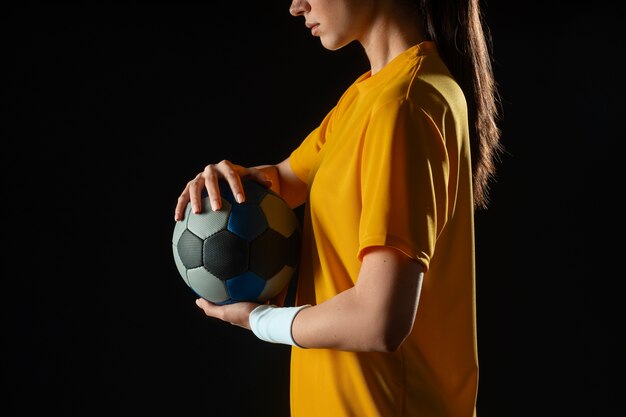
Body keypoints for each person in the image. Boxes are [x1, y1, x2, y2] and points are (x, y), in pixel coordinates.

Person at [174, 0, 502, 415]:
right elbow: (282, 182)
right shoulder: (370, 96)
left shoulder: (403, 105)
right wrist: (223, 182)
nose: (296, 6)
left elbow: (379, 319)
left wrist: (259, 320)